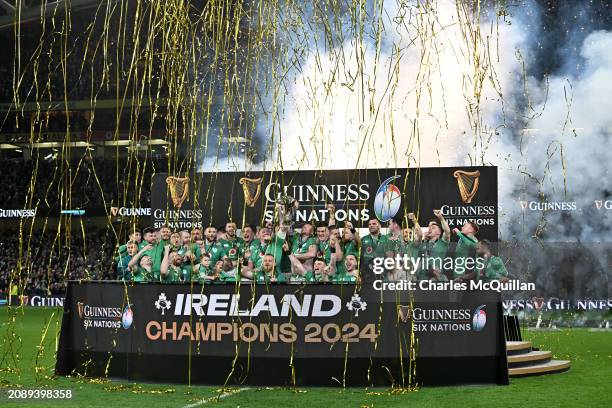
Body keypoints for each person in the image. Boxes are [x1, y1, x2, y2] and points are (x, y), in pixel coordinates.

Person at [420, 210, 451, 282]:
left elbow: (447, 231)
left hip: (436, 278)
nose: (429, 229)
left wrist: (441, 218)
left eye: (433, 227)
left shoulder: (442, 242)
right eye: (429, 227)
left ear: (439, 231)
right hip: (422, 279)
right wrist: (424, 240)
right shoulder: (425, 243)